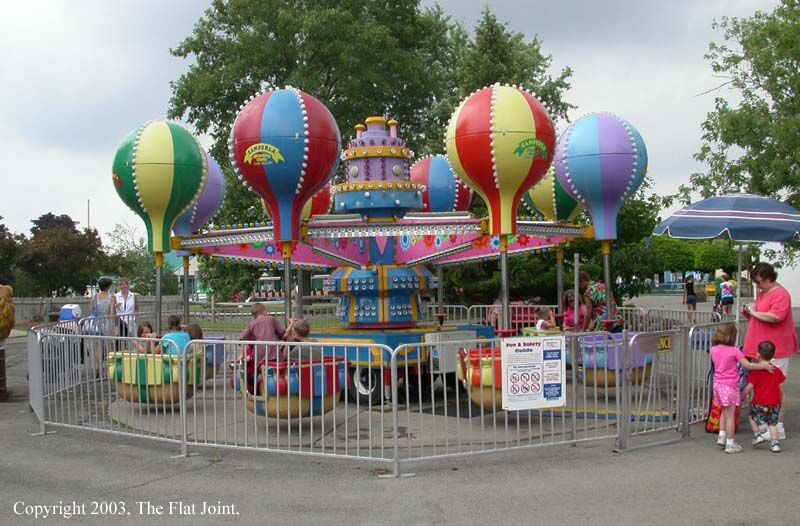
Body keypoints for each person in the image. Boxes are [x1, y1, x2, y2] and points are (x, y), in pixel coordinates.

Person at [742, 262, 796, 440]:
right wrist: (750, 311)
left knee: (775, 388)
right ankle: (766, 426)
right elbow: (760, 312)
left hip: (775, 349)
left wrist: (755, 313)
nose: (757, 285)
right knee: (762, 387)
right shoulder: (763, 293)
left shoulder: (780, 294)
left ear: (768, 278)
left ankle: (777, 426)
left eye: (759, 282)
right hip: (759, 348)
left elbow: (775, 316)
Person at [710, 323, 773, 453]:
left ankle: (721, 436)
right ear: (731, 337)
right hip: (730, 385)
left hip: (717, 385)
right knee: (731, 415)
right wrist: (763, 366)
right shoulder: (734, 351)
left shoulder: (713, 349)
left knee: (723, 411)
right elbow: (748, 365)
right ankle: (730, 443)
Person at [743, 341, 785, 453]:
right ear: (773, 355)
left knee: (752, 417)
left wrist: (742, 396)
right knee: (772, 423)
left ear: (758, 355)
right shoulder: (777, 371)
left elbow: (749, 387)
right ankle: (775, 443)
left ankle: (757, 435)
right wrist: (780, 399)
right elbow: (780, 387)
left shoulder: (756, 372)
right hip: (774, 403)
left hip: (759, 402)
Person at [238, 303, 287, 393]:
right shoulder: (271, 319)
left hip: (259, 354)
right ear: (264, 312)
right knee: (277, 370)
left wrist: (241, 354)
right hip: (273, 353)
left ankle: (255, 385)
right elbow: (282, 334)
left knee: (262, 371)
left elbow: (242, 339)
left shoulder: (251, 324)